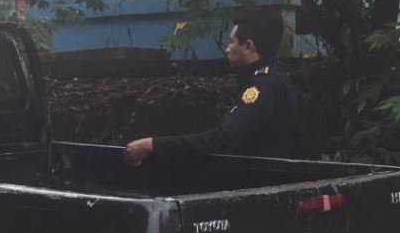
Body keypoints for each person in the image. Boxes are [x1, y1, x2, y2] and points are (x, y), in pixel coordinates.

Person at [123, 10, 311, 166]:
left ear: (248, 46)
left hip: (260, 187)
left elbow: (224, 139)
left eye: (231, 42)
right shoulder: (279, 80)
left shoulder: (262, 86)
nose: (227, 49)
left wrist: (154, 145)